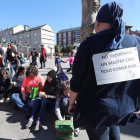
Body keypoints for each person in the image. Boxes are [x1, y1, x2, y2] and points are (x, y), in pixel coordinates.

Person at [68, 2, 140, 140]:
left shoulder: (88, 45)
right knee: (114, 129)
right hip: (122, 107)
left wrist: (71, 104)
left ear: (98, 23)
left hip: (96, 110)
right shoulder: (135, 42)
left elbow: (76, 82)